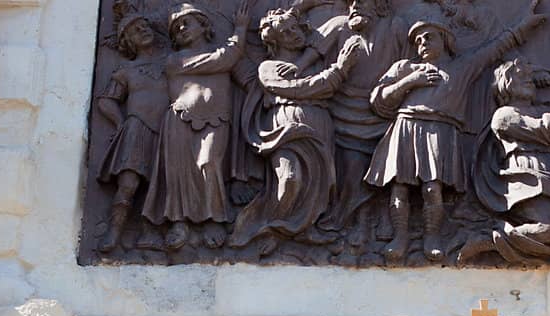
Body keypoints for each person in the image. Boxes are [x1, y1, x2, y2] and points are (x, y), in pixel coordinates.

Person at [365, 2, 547, 263]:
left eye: (429, 37)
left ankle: (432, 237)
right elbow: (379, 101)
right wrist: (409, 82)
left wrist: (522, 28)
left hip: (439, 131)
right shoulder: (404, 68)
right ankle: (400, 237)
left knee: (432, 190)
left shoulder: (461, 67)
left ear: (445, 39)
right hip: (406, 127)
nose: (422, 43)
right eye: (417, 40)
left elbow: (494, 48)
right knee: (399, 189)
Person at [229, 8, 365, 254]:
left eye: (295, 27)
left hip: (320, 121)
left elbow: (340, 23)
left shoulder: (315, 62)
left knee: (320, 184)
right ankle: (271, 229)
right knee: (290, 178)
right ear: (274, 40)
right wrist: (339, 70)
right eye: (285, 32)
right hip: (287, 125)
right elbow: (297, 89)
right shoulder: (269, 67)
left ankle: (304, 229)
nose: (294, 34)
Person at [459, 60, 550, 266]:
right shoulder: (504, 116)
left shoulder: (542, 110)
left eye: (529, 77)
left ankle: (498, 240)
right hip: (528, 179)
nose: (528, 80)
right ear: (506, 84)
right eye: (521, 76)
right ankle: (488, 239)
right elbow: (549, 133)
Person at [141, 0, 254, 252]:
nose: (181, 28)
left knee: (209, 163)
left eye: (186, 22)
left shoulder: (223, 54)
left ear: (204, 26)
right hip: (180, 118)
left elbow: (238, 68)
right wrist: (240, 30)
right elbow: (224, 59)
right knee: (178, 173)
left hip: (216, 118)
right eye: (176, 28)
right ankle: (179, 222)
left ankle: (214, 218)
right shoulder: (175, 60)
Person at [315, 0, 409, 253]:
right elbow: (306, 59)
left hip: (385, 112)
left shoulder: (395, 28)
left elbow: (408, 64)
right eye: (351, 2)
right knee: (352, 175)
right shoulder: (338, 27)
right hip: (344, 115)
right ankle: (356, 225)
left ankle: (375, 225)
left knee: (385, 173)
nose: (355, 6)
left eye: (363, 1)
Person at [94, 7, 169, 251]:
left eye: (145, 26)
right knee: (128, 183)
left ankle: (151, 233)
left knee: (161, 184)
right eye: (136, 30)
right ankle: (114, 232)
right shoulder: (126, 71)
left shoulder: (169, 62)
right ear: (127, 41)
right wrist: (119, 121)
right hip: (137, 128)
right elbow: (107, 100)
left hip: (168, 129)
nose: (143, 30)